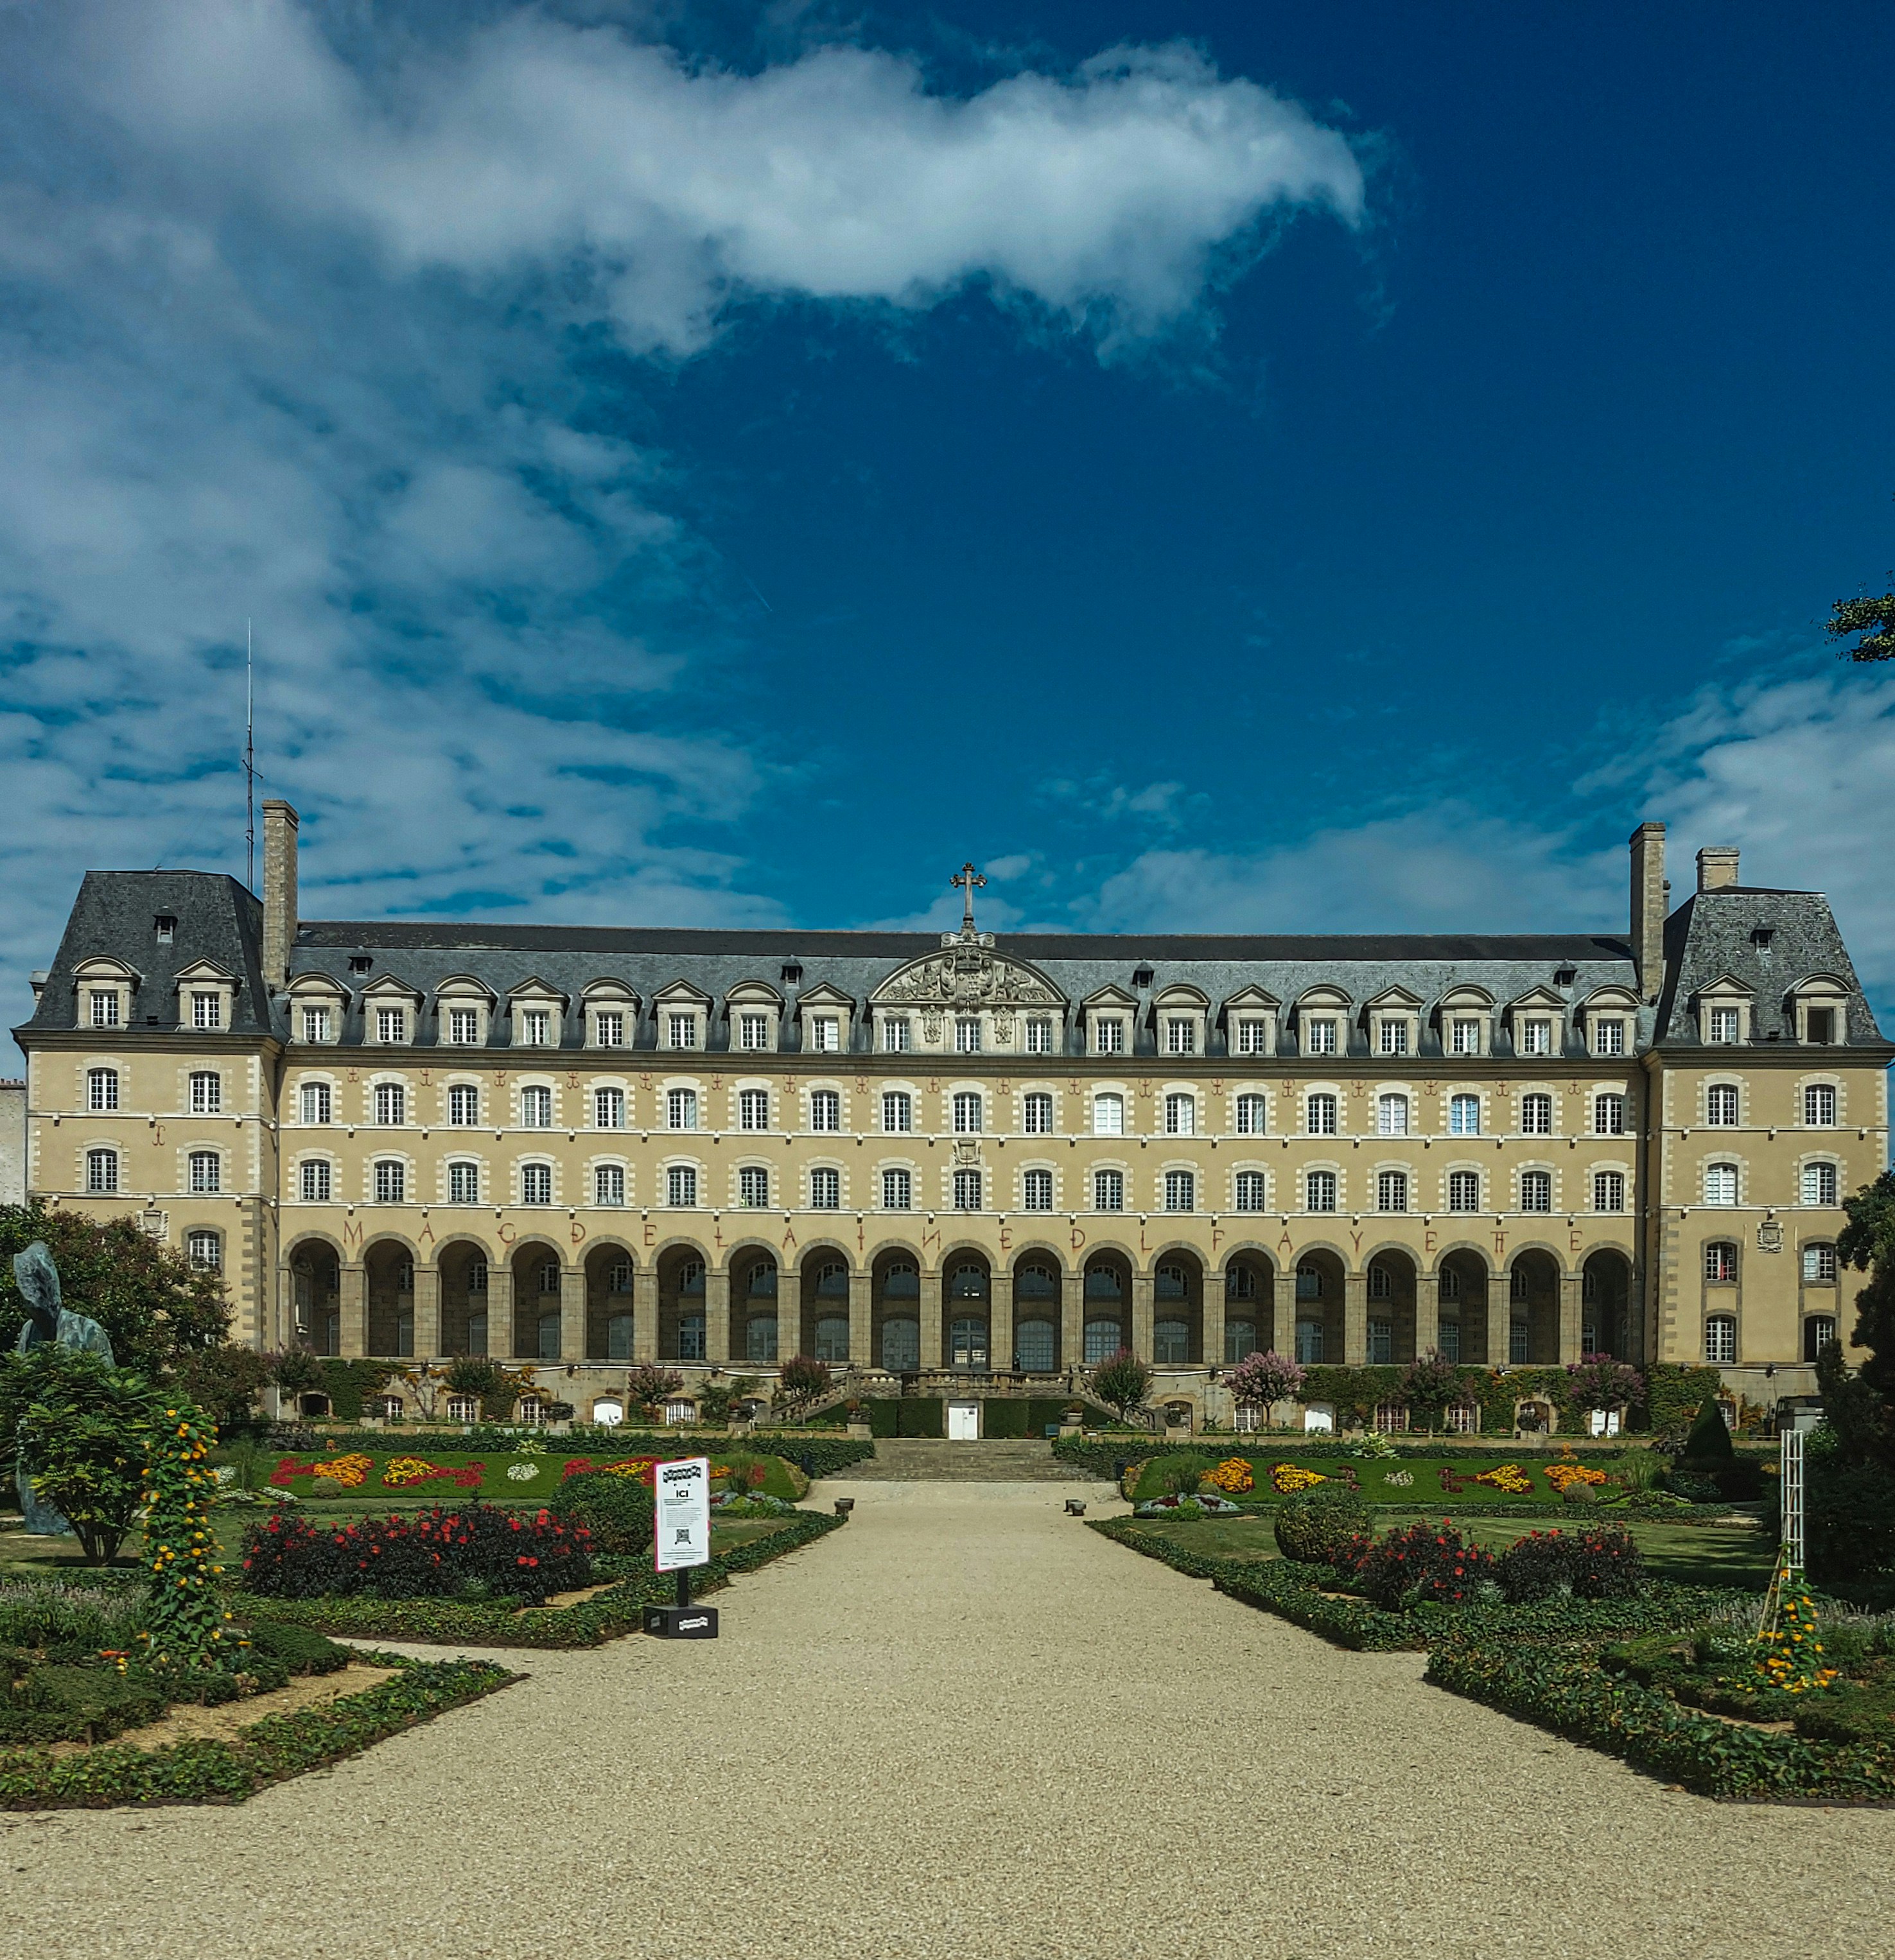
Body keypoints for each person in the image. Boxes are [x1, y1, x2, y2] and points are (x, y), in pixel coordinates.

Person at [12, 1241, 115, 1534]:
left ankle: (74, 1524)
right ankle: (42, 1522)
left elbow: (106, 1390)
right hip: (36, 1435)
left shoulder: (87, 1330)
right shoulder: (27, 1332)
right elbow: (22, 1383)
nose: (32, 1309)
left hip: (75, 1436)